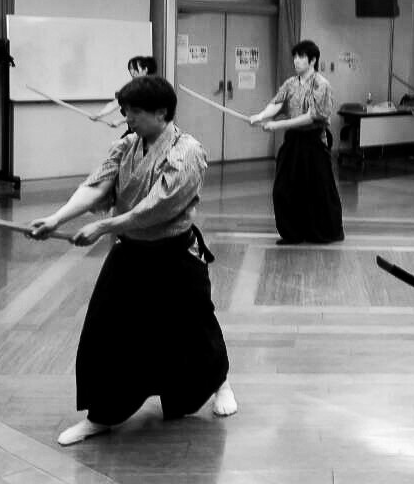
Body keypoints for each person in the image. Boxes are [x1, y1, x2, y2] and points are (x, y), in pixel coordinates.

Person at [28, 75, 237, 445]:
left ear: (162, 113)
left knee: (193, 328)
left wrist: (103, 226)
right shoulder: (126, 145)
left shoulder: (187, 152)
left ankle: (220, 382)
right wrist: (58, 219)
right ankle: (102, 415)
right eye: (126, 111)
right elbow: (96, 186)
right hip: (130, 253)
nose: (129, 118)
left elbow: (156, 208)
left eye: (135, 112)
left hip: (174, 256)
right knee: (107, 331)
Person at [248, 40, 344, 244]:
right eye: (295, 56)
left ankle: (322, 232)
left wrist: (276, 126)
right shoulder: (291, 83)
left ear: (313, 60)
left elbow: (311, 117)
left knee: (318, 190)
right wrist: (261, 116)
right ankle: (292, 232)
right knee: (284, 188)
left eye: (301, 56)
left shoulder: (321, 85)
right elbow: (277, 103)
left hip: (314, 141)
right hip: (293, 142)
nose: (296, 60)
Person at [91, 55, 156, 126]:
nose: (133, 71)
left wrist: (121, 121)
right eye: (131, 68)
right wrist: (100, 114)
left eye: (136, 68)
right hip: (136, 129)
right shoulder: (129, 88)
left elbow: (144, 113)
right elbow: (115, 103)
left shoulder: (151, 87)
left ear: (145, 70)